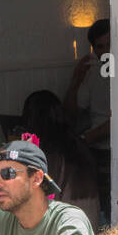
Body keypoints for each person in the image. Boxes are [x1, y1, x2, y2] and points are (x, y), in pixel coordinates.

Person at [20, 89, 100, 227]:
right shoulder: (77, 145)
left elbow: (40, 204)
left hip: (66, 233)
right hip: (90, 227)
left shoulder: (48, 153)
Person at [64, 18, 111, 149]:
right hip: (96, 147)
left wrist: (84, 139)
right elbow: (70, 113)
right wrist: (76, 79)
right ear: (94, 49)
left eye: (110, 44)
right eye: (100, 46)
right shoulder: (92, 72)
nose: (106, 51)